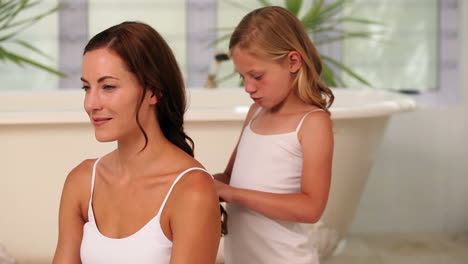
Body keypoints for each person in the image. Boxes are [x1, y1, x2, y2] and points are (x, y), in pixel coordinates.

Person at [52, 21, 222, 264]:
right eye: (86, 88)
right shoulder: (82, 181)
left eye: (108, 86)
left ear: (154, 91)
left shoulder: (191, 190)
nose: (91, 104)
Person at [214, 6, 335, 264]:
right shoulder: (255, 112)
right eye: (242, 77)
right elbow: (229, 178)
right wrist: (196, 181)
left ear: (293, 61)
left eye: (257, 76)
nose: (248, 87)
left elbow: (311, 208)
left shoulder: (312, 123)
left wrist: (233, 194)